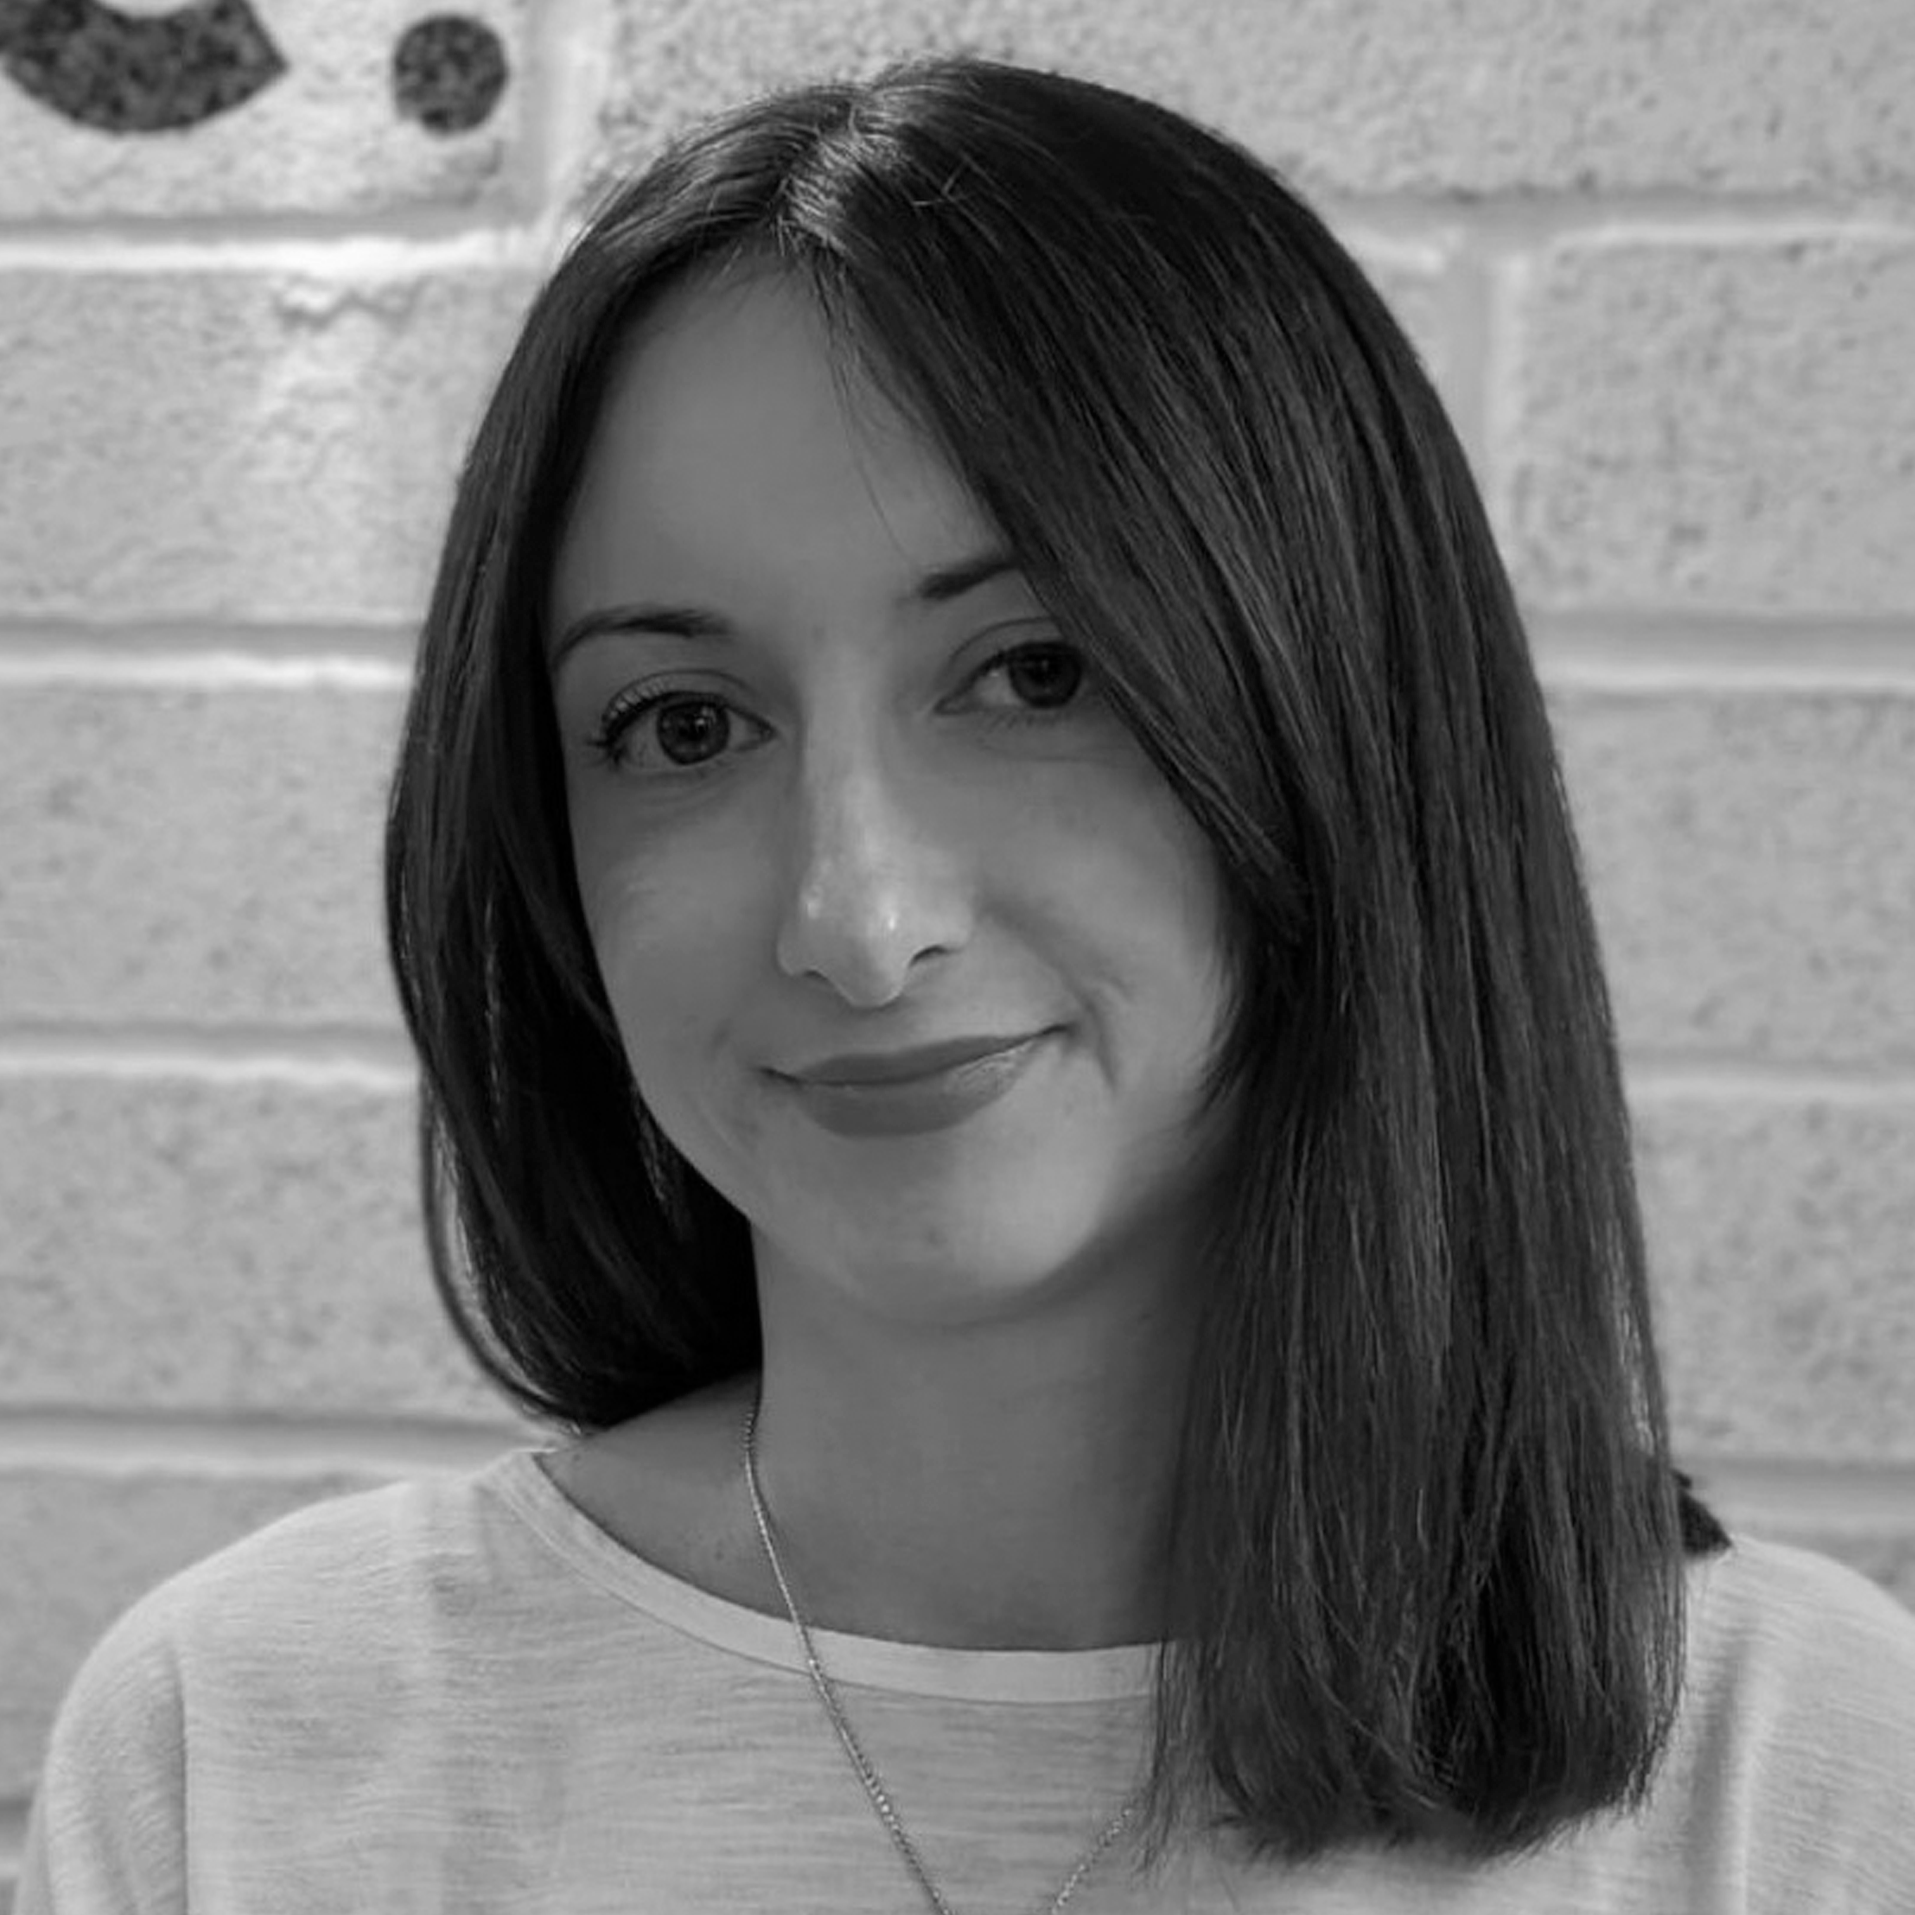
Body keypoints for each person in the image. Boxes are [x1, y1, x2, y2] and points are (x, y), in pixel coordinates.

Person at [19, 51, 1915, 1915]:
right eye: (682, 722)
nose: (857, 915)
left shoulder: (1800, 1771)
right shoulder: (244, 1747)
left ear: (1341, 723)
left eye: (1035, 674)